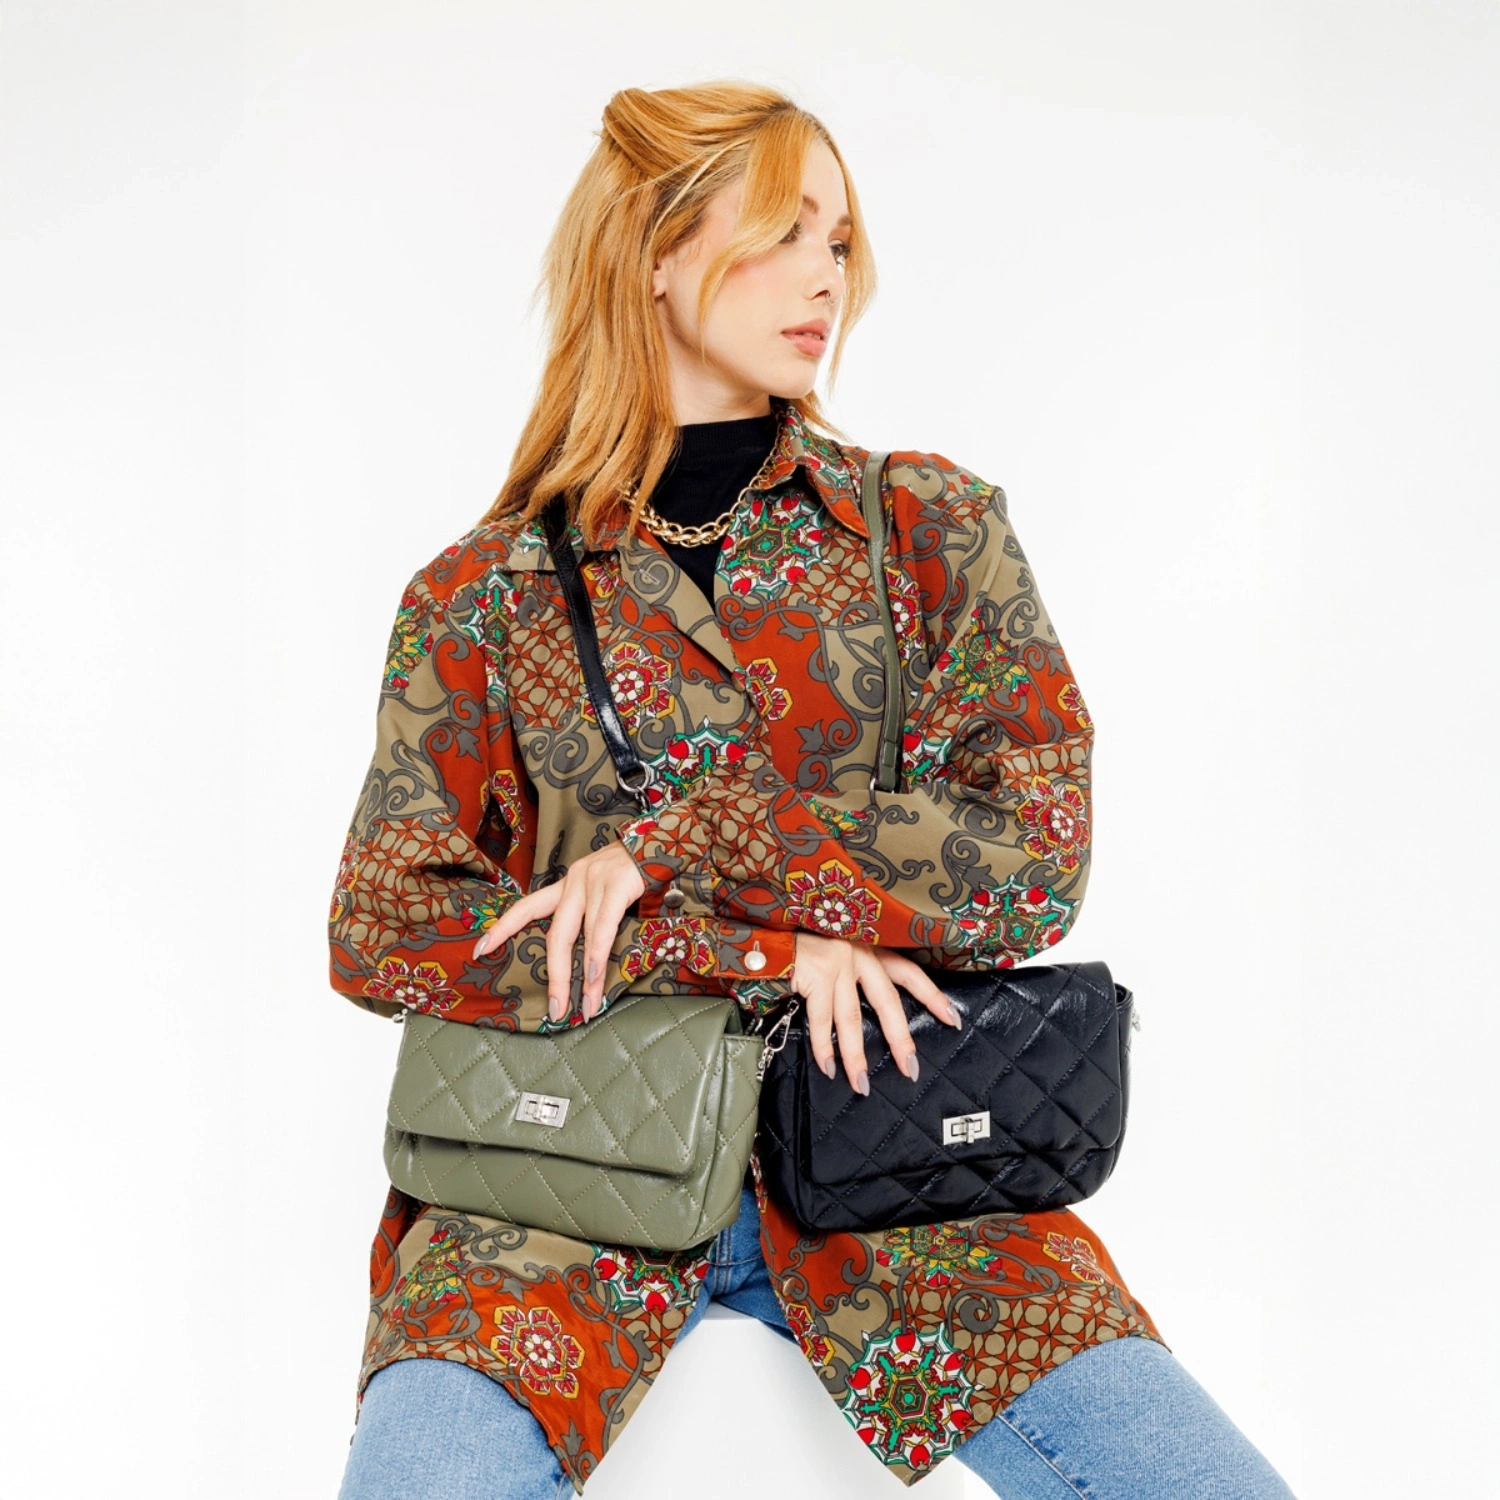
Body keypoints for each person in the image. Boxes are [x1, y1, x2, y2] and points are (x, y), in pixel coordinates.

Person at [328, 80, 1297, 1500]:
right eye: (785, 232)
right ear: (655, 250)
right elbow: (388, 925)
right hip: (549, 1202)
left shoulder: (928, 530)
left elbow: (1032, 855)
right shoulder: (486, 593)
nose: (826, 278)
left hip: (912, 1187)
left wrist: (698, 840)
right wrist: (763, 949)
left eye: (839, 242)